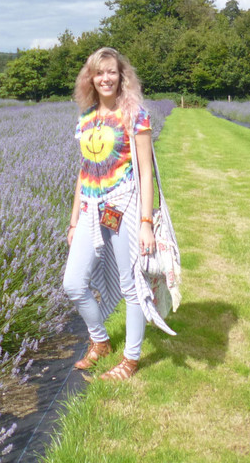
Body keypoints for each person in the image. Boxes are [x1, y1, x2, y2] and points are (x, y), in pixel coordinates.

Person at [62, 47, 173, 381]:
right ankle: (100, 340)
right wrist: (73, 220)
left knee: (132, 284)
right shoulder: (87, 118)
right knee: (73, 283)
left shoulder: (135, 115)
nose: (105, 78)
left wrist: (145, 224)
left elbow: (145, 172)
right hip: (91, 209)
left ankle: (131, 359)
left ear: (121, 76)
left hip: (123, 206)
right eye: (99, 72)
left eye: (111, 72)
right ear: (91, 78)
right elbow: (84, 170)